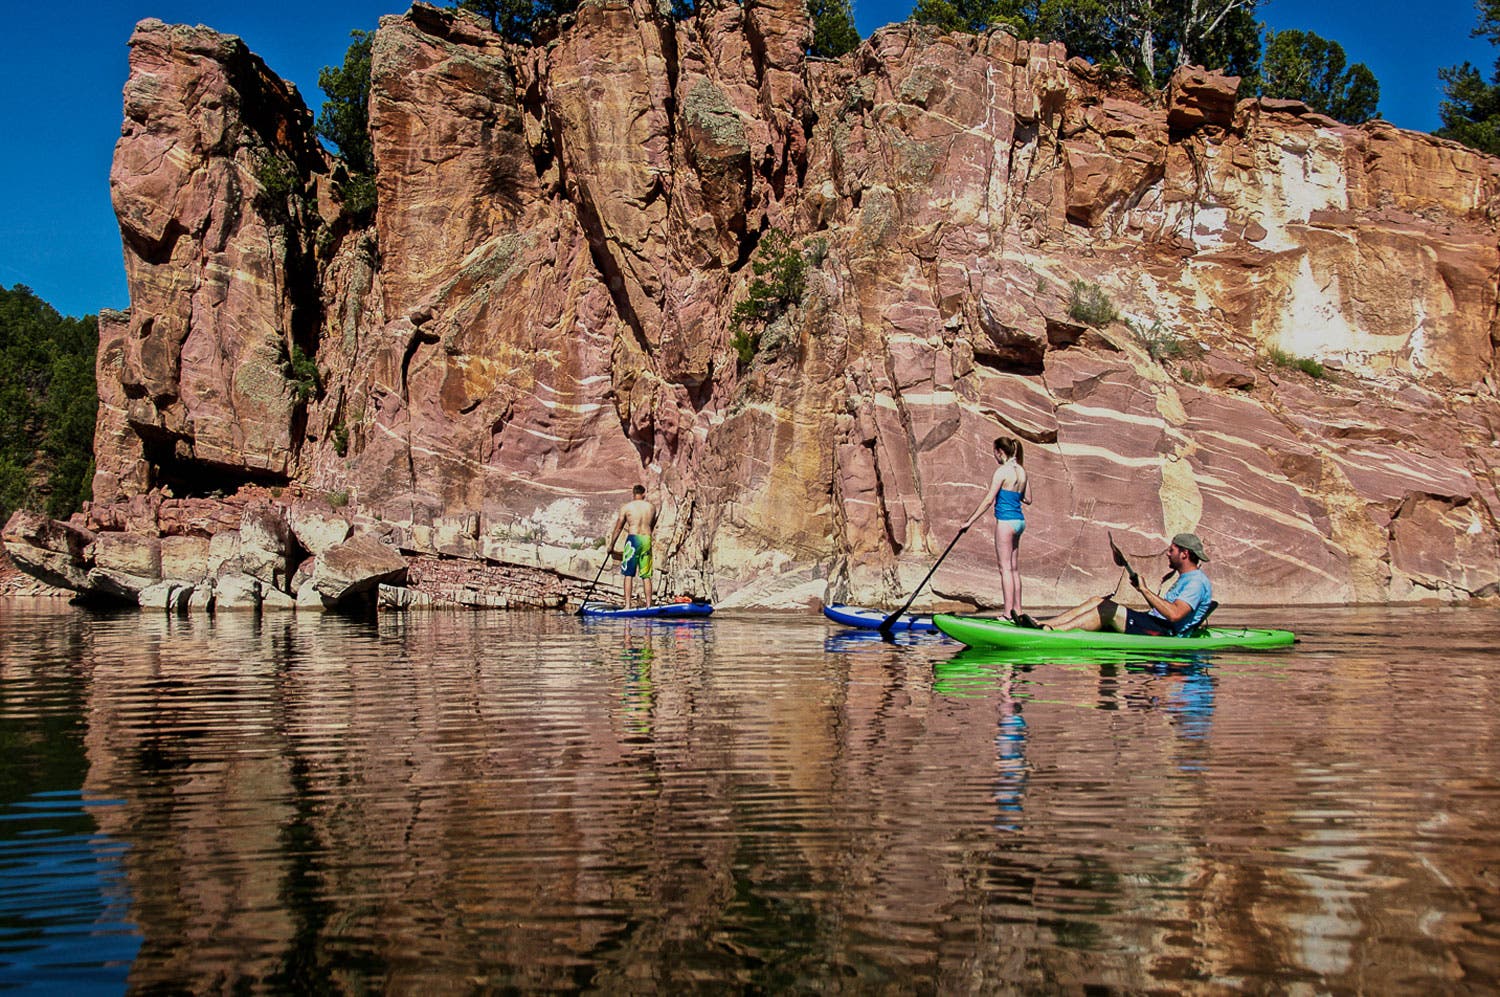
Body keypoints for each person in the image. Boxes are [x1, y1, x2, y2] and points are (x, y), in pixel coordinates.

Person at [1033, 533, 1214, 636]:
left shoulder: (1196, 582)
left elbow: (1175, 615)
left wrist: (1145, 590)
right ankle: (1046, 624)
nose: (1168, 553)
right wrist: (1143, 591)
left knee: (1108, 610)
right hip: (1157, 622)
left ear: (1184, 554)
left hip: (1165, 632)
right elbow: (1165, 610)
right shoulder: (1187, 578)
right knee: (1098, 600)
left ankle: (1053, 632)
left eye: (1172, 550)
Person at [962, 436, 1032, 622]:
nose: (994, 455)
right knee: (1014, 569)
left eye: (994, 452)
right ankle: (1019, 610)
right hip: (1020, 522)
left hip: (1006, 523)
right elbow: (1028, 499)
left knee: (1005, 569)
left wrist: (969, 521)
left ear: (1000, 452)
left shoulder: (1002, 471)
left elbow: (988, 500)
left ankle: (1008, 614)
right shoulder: (1021, 470)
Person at [607, 485, 658, 610]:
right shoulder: (651, 507)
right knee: (646, 575)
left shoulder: (627, 507)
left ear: (633, 493)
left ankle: (627, 605)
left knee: (628, 574)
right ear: (644, 494)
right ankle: (648, 605)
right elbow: (652, 524)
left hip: (633, 540)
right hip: (646, 539)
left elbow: (618, 528)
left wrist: (611, 545)